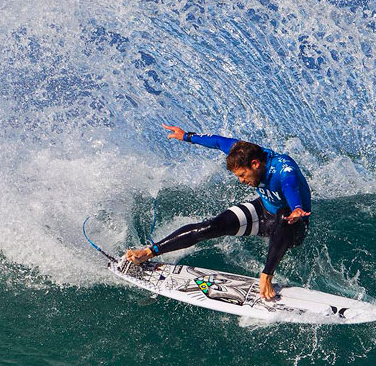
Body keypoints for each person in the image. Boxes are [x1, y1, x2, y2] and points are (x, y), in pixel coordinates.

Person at [125, 124, 312, 300]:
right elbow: (217, 141)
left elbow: (290, 186)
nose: (241, 181)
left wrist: (297, 209)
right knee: (210, 226)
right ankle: (150, 251)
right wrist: (186, 136)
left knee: (285, 215)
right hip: (264, 212)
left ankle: (267, 275)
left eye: (242, 175)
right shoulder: (243, 152)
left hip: (293, 227)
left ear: (255, 164)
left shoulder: (284, 170)